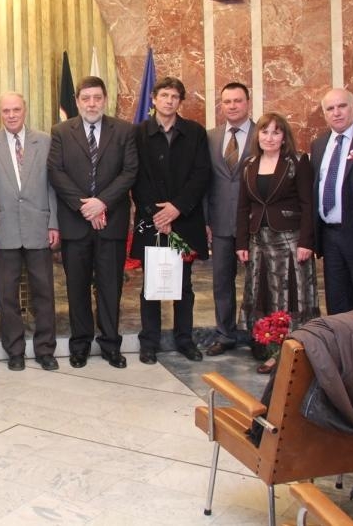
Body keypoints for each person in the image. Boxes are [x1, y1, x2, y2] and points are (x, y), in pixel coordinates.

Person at [48, 76, 138, 368]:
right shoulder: (61, 131)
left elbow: (130, 171)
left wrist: (102, 203)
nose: (91, 104)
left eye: (97, 98)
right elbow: (56, 172)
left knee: (111, 287)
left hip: (111, 223)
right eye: (85, 98)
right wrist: (85, 206)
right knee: (77, 288)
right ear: (77, 101)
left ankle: (111, 344)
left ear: (105, 99)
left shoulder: (124, 130)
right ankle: (81, 344)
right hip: (76, 224)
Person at [0, 92, 60, 372]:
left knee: (44, 293)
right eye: (6, 111)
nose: (11, 115)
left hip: (39, 227)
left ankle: (45, 350)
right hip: (4, 231)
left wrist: (54, 223)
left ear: (25, 110)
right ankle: (14, 351)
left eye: (16, 110)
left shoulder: (45, 141)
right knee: (7, 295)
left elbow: (53, 185)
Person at [131, 77, 211, 363]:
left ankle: (184, 339)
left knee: (184, 286)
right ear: (154, 99)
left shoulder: (195, 132)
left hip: (184, 220)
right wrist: (158, 214)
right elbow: (135, 177)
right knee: (151, 285)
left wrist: (176, 208)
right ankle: (149, 342)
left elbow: (201, 174)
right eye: (164, 95)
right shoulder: (138, 133)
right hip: (151, 221)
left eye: (175, 96)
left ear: (180, 101)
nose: (169, 101)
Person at [235, 113, 319, 373]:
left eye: (276, 132)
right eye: (264, 132)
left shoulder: (297, 161)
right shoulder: (249, 164)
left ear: (284, 137)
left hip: (290, 241)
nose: (269, 137)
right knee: (263, 292)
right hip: (258, 241)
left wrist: (306, 241)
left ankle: (289, 348)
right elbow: (243, 207)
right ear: (257, 135)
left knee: (290, 294)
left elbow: (308, 204)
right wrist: (241, 243)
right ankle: (266, 343)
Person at [204, 82, 255, 357]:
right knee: (222, 282)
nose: (232, 106)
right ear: (221, 105)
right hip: (221, 222)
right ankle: (225, 334)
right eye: (227, 101)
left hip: (255, 224)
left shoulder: (264, 134)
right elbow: (204, 182)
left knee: (257, 282)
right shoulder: (210, 137)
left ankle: (259, 334)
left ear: (248, 102)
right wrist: (205, 220)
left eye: (237, 100)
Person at [311, 88, 353, 314]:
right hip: (329, 235)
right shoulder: (319, 144)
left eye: (342, 106)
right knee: (336, 301)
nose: (336, 113)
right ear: (325, 114)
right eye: (330, 108)